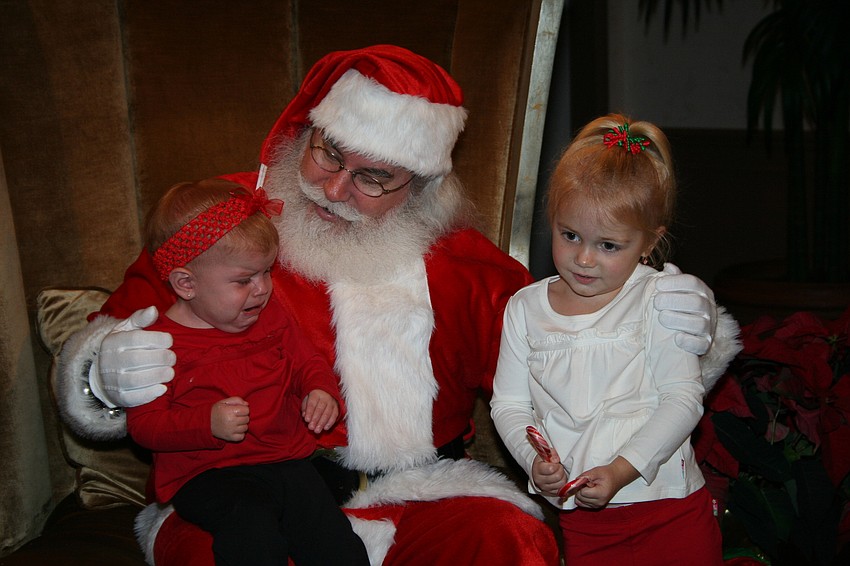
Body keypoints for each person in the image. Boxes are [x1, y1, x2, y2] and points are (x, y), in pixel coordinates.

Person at [56, 46, 738, 566]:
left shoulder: (469, 269)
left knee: (509, 542)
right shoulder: (224, 223)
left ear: (420, 185)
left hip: (419, 491)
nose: (334, 186)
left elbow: (576, 353)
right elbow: (109, 340)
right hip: (245, 485)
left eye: (375, 177)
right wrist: (104, 373)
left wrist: (679, 335)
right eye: (328, 153)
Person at [491, 114, 738, 565]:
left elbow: (682, 399)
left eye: (609, 245)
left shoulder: (659, 298)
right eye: (570, 236)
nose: (584, 258)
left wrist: (621, 470)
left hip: (668, 506)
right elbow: (508, 405)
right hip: (586, 521)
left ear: (648, 242)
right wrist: (533, 463)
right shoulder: (524, 310)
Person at [125, 179, 369, 566]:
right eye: (244, 280)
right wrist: (205, 422)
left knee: (333, 539)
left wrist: (320, 391)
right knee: (251, 533)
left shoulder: (270, 315)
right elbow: (144, 427)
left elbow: (308, 361)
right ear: (186, 283)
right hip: (209, 474)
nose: (262, 290)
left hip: (286, 460)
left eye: (266, 272)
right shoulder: (156, 345)